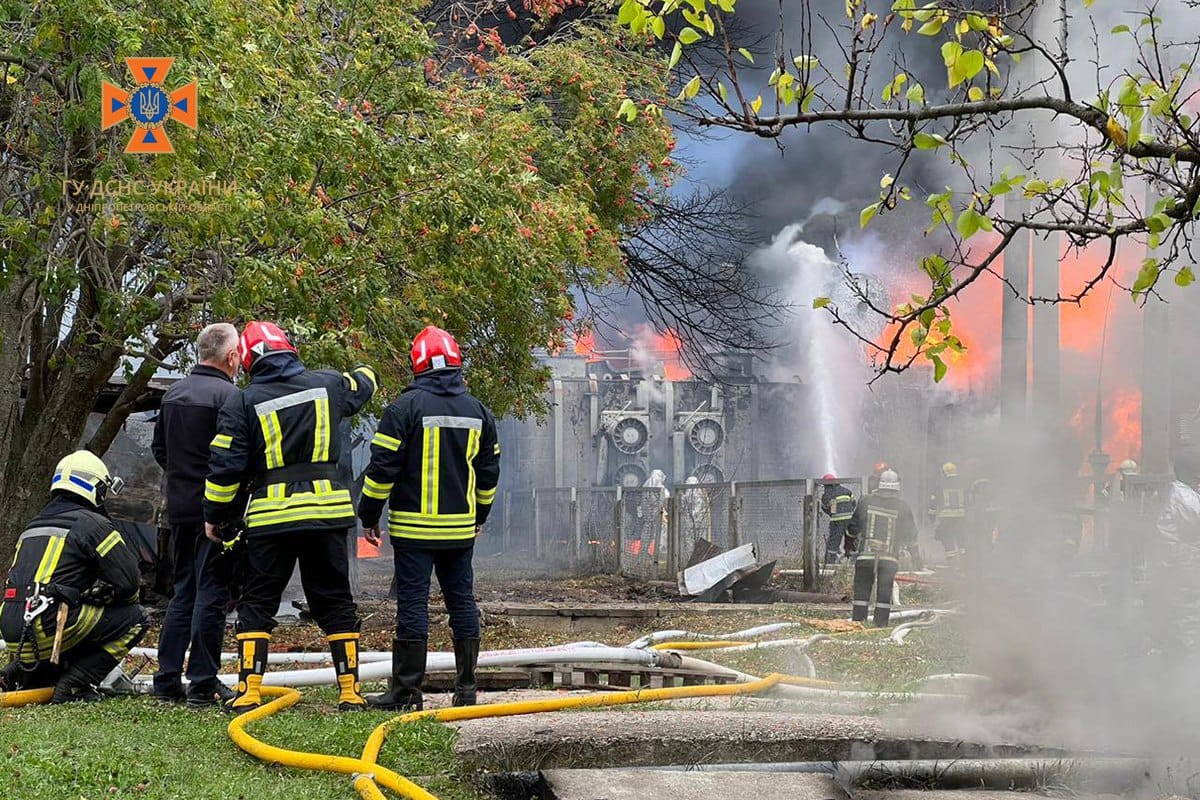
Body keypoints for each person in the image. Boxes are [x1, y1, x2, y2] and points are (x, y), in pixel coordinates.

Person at [203, 321, 377, 713]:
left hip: (272, 520)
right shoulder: (329, 385)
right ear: (290, 349)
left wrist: (216, 516)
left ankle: (249, 690)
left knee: (258, 600)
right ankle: (350, 691)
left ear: (246, 360)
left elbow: (225, 467)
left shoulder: (242, 402)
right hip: (327, 515)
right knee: (334, 598)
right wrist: (358, 364)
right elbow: (366, 382)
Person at [358, 325, 500, 711]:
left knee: (413, 606)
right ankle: (466, 690)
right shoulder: (479, 412)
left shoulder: (403, 409)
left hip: (413, 531)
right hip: (459, 530)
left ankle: (406, 694)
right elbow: (488, 475)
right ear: (456, 363)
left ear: (416, 364)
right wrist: (480, 514)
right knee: (462, 603)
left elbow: (381, 470)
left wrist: (368, 515)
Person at [0, 451, 147, 702]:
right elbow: (130, 582)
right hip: (48, 627)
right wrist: (109, 598)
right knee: (137, 618)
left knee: (75, 617)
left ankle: (20, 672)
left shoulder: (33, 525)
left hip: (12, 629)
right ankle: (76, 683)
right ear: (95, 488)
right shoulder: (94, 525)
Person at [150, 322, 241, 708]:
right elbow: (236, 457)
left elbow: (160, 449)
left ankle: (167, 679)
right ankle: (203, 681)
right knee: (212, 594)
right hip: (215, 512)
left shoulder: (174, 394)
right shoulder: (231, 397)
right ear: (232, 356)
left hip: (179, 510)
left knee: (182, 591)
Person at [844, 469, 917, 626]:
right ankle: (881, 624)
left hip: (865, 557)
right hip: (889, 559)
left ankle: (858, 623)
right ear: (897, 487)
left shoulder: (865, 501)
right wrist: (917, 559)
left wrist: (848, 547)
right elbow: (911, 536)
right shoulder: (902, 507)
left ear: (879, 484)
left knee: (862, 593)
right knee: (884, 594)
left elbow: (851, 529)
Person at [930, 462, 967, 562]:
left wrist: (931, 515)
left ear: (944, 472)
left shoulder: (940, 484)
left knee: (948, 541)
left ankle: (952, 566)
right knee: (962, 541)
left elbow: (934, 500)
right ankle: (965, 564)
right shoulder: (963, 483)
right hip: (961, 518)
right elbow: (968, 500)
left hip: (946, 518)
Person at [820, 474, 856, 562]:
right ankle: (853, 561)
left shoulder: (827, 495)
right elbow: (854, 503)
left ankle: (829, 563)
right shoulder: (847, 491)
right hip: (851, 521)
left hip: (837, 521)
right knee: (851, 541)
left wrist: (833, 512)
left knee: (833, 543)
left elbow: (826, 508)